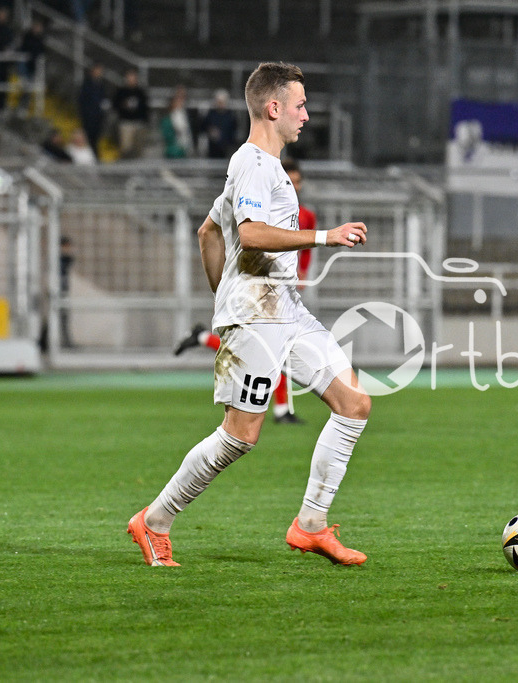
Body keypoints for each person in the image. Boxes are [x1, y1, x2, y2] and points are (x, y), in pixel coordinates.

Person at [129, 62, 371, 567]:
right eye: (300, 105)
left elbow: (209, 233)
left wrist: (223, 295)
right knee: (241, 436)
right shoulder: (253, 164)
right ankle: (154, 521)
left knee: (354, 404)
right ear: (273, 107)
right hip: (258, 318)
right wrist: (324, 237)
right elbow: (253, 233)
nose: (306, 115)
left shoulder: (259, 167)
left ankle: (310, 526)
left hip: (285, 309)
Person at [173, 157, 316, 425]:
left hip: (284, 290)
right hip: (256, 288)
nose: (294, 187)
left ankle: (202, 338)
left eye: (297, 182)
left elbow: (303, 250)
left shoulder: (305, 214)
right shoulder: (257, 210)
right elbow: (221, 235)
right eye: (290, 181)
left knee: (271, 349)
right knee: (265, 348)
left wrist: (302, 275)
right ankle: (276, 410)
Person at [112, 68, 149, 159]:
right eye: (130, 77)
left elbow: (145, 108)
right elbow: (115, 105)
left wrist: (144, 121)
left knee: (138, 149)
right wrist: (123, 106)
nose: (131, 79)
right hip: (126, 123)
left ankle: (137, 169)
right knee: (126, 149)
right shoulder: (121, 91)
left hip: (138, 124)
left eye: (133, 77)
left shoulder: (140, 92)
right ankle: (125, 169)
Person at [78, 63, 109, 157]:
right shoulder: (86, 85)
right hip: (89, 117)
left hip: (98, 117)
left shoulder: (101, 85)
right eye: (98, 70)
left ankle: (95, 156)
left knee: (96, 138)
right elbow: (82, 101)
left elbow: (103, 99)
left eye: (101, 71)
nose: (99, 73)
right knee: (89, 138)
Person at [202, 89, 239, 159]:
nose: (220, 104)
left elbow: (233, 132)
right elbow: (203, 127)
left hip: (226, 148)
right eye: (218, 101)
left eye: (222, 102)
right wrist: (210, 131)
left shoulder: (230, 116)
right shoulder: (211, 114)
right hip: (212, 148)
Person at [160, 85, 194, 158]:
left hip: (185, 150)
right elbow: (168, 136)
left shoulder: (186, 115)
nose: (180, 102)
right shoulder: (167, 119)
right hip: (173, 151)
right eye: (178, 100)